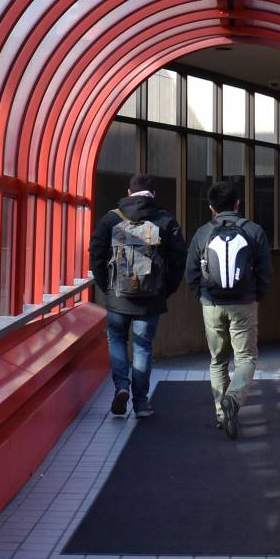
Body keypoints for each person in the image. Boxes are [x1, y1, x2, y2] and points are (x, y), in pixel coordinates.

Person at [90, 173, 185, 419]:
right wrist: (166, 289)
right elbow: (178, 261)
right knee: (143, 347)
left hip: (118, 296)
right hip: (151, 297)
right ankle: (141, 403)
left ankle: (121, 386)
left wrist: (106, 287)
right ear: (153, 194)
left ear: (128, 192)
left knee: (117, 340)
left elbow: (96, 256)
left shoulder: (111, 218)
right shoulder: (165, 220)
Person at [185, 179, 270, 439]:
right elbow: (266, 271)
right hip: (244, 303)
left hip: (211, 304)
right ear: (238, 204)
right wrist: (256, 296)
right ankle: (233, 399)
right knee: (246, 358)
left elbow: (191, 272)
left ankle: (222, 417)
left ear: (211, 207)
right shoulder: (253, 231)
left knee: (218, 360)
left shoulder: (202, 233)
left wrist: (202, 296)